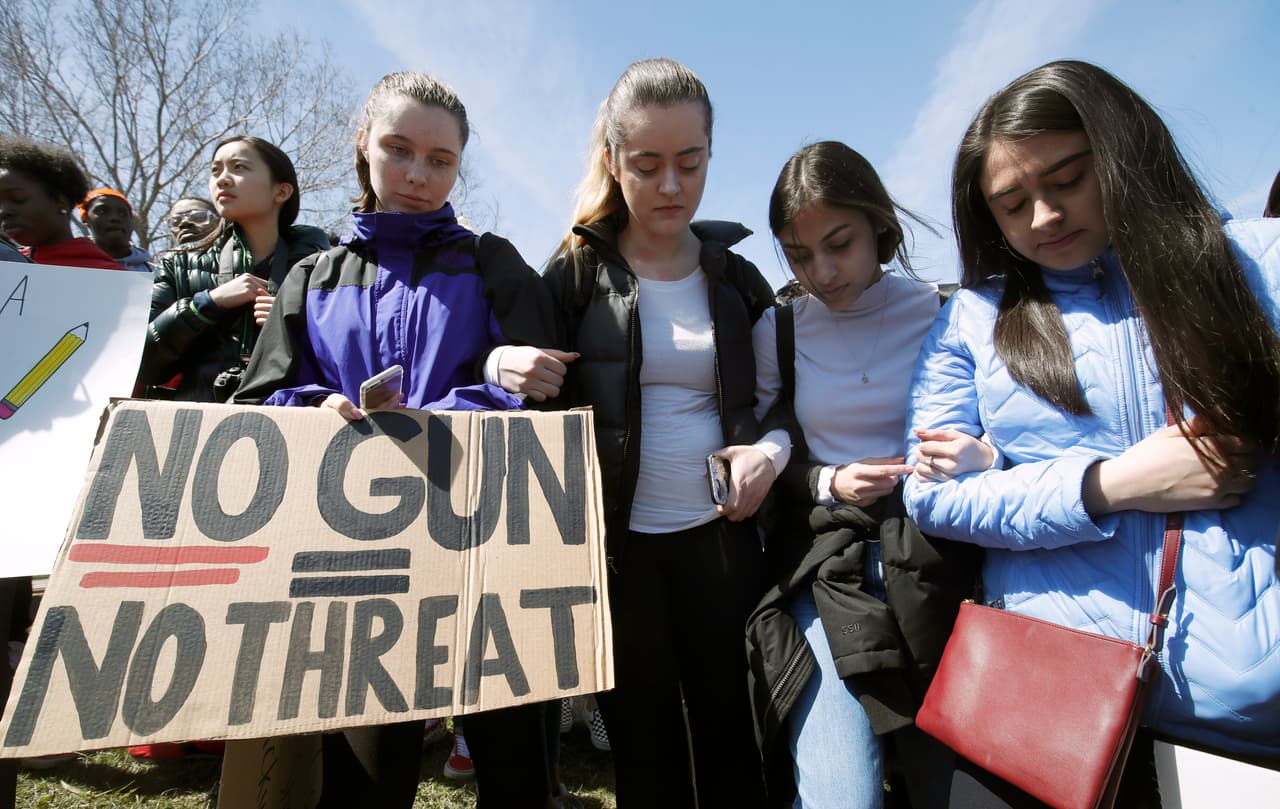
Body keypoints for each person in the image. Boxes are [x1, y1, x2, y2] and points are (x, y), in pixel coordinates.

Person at [903, 60, 1280, 807]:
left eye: (1068, 179)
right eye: (1011, 204)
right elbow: (930, 496)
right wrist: (1108, 483)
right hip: (1044, 705)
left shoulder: (1256, 264)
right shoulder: (975, 319)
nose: (1043, 217)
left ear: (1124, 152)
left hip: (1243, 720)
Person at [234, 70, 569, 809]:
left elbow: (548, 395)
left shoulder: (492, 263)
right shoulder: (311, 276)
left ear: (459, 166)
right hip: (356, 562)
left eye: (441, 160)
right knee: (362, 786)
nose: (418, 175)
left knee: (516, 779)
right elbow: (258, 403)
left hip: (484, 552)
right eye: (398, 149)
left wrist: (451, 409)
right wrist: (317, 407)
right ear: (363, 146)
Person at [542, 57, 780, 809]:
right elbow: (532, 403)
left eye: (690, 162)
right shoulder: (575, 274)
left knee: (732, 732)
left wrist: (769, 453)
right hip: (618, 556)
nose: (670, 186)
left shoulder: (739, 280)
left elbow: (784, 406)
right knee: (643, 745)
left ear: (711, 154)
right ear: (614, 161)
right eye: (647, 165)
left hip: (723, 545)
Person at [745, 142, 986, 809]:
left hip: (940, 574)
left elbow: (1001, 432)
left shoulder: (947, 311)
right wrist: (826, 480)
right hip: (828, 573)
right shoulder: (779, 330)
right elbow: (764, 448)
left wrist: (977, 453)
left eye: (838, 243)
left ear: (879, 222)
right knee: (839, 796)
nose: (821, 271)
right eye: (797, 254)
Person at [136, 135, 328, 402]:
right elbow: (141, 364)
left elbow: (344, 357)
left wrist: (290, 322)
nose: (222, 179)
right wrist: (207, 303)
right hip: (196, 427)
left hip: (289, 424)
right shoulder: (178, 263)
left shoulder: (323, 267)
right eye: (215, 170)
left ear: (281, 192)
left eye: (239, 168)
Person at [0, 135, 121, 270]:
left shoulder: (111, 277)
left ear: (60, 201)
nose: (3, 212)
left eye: (17, 198)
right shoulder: (8, 265)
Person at [77, 187, 152, 272]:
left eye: (123, 213)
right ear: (85, 220)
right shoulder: (69, 268)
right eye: (102, 211)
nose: (115, 218)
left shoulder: (159, 275)